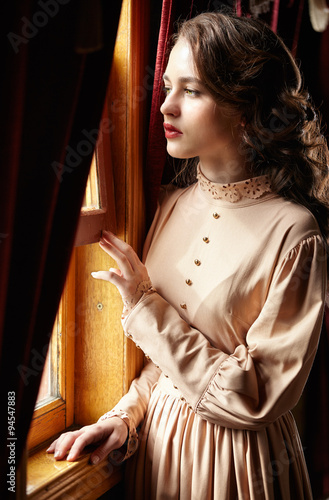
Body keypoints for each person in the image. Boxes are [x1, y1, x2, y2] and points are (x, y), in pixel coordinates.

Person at [47, 11, 329, 499]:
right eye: (166, 85)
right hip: (157, 456)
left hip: (238, 468)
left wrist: (144, 306)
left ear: (245, 105)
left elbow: (255, 395)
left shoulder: (296, 233)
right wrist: (125, 417)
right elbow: (163, 365)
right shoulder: (168, 204)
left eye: (191, 91)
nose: (164, 107)